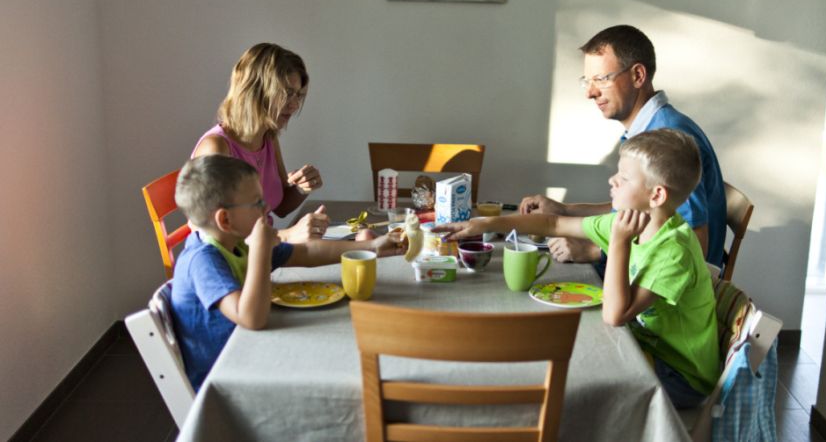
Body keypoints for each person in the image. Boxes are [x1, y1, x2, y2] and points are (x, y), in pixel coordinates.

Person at [436, 129, 719, 408]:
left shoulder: (672, 251)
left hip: (679, 375)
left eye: (624, 177)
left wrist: (619, 242)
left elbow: (614, 315)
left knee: (573, 378)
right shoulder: (634, 220)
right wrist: (485, 224)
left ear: (656, 195)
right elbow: (552, 224)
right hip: (645, 346)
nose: (613, 180)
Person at [170, 155, 405, 391]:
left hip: (251, 353)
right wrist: (261, 251)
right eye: (257, 203)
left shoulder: (235, 242)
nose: (266, 208)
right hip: (228, 380)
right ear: (225, 219)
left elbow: (306, 253)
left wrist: (372, 247)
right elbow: (251, 319)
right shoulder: (203, 261)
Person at [520, 25, 726, 271]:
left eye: (601, 79)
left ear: (638, 75)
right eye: (587, 80)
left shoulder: (669, 138)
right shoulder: (647, 130)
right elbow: (634, 207)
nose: (590, 92)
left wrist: (597, 251)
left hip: (665, 297)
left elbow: (693, 244)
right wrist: (565, 210)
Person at [193, 42, 328, 244]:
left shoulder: (268, 138)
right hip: (233, 268)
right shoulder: (216, 148)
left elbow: (280, 208)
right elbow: (214, 236)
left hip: (264, 254)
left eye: (298, 95)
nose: (294, 104)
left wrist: (301, 188)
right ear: (254, 91)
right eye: (287, 93)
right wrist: (288, 235)